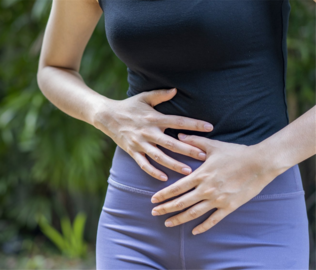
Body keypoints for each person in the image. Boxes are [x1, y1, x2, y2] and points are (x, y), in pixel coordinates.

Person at [36, 0, 316, 269]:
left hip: (255, 221)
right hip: (134, 225)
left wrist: (262, 160)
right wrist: (104, 113)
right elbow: (54, 68)